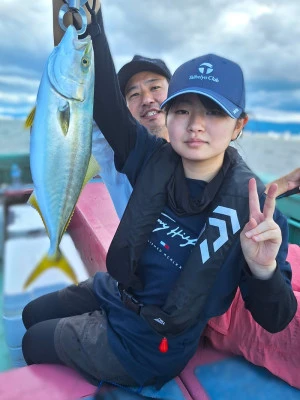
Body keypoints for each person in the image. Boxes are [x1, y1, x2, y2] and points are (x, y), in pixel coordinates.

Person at [22, 2, 297, 391]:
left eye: (215, 113)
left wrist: (264, 270)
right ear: (167, 117)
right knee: (32, 312)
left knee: (33, 341)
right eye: (183, 110)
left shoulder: (253, 210)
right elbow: (103, 101)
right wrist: (91, 19)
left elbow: (277, 317)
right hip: (118, 292)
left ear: (239, 125)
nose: (197, 125)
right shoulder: (148, 158)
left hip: (149, 343)